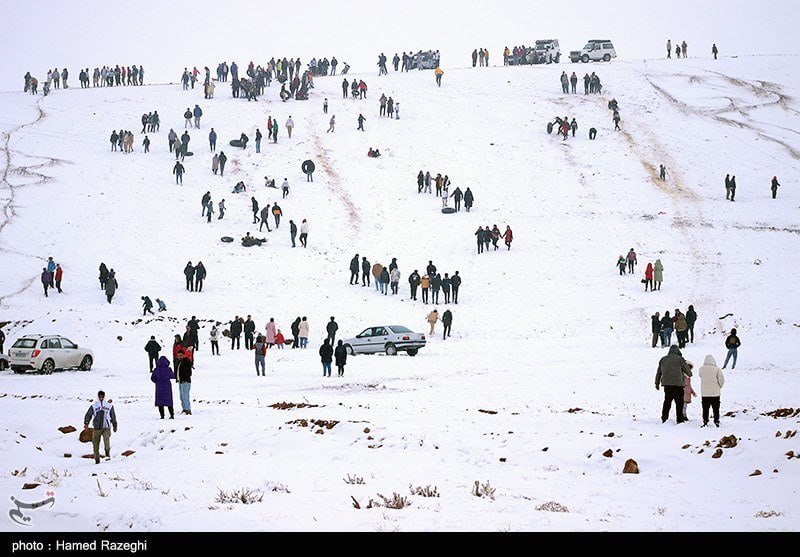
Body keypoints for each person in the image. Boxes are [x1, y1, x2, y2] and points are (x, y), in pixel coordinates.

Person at [655, 345, 692, 424]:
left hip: (667, 385)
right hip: (678, 385)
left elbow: (659, 372)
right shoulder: (680, 359)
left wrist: (657, 383)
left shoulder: (663, 359)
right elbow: (689, 372)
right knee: (679, 403)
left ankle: (664, 418)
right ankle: (680, 419)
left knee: (667, 402)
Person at [83, 390, 118, 463]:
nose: (101, 398)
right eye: (100, 396)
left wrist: (115, 425)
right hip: (97, 428)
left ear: (104, 396)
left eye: (102, 396)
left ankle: (107, 456)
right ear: (98, 397)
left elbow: (113, 416)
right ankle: (97, 459)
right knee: (95, 444)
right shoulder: (94, 406)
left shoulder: (109, 406)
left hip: (106, 427)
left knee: (106, 441)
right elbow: (88, 414)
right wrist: (86, 423)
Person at [699, 354, 725, 427]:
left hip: (705, 393)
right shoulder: (717, 369)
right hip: (715, 393)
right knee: (716, 408)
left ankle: (705, 421)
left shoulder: (701, 369)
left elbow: (700, 375)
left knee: (705, 408)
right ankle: (716, 420)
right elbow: (721, 379)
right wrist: (719, 387)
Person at [175, 350, 193, 414]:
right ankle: (184, 409)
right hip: (181, 381)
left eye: (180, 355)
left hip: (185, 381)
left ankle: (188, 409)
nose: (179, 357)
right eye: (178, 356)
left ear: (183, 355)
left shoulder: (186, 361)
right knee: (182, 396)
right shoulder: (180, 362)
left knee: (185, 396)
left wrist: (184, 378)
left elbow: (189, 372)